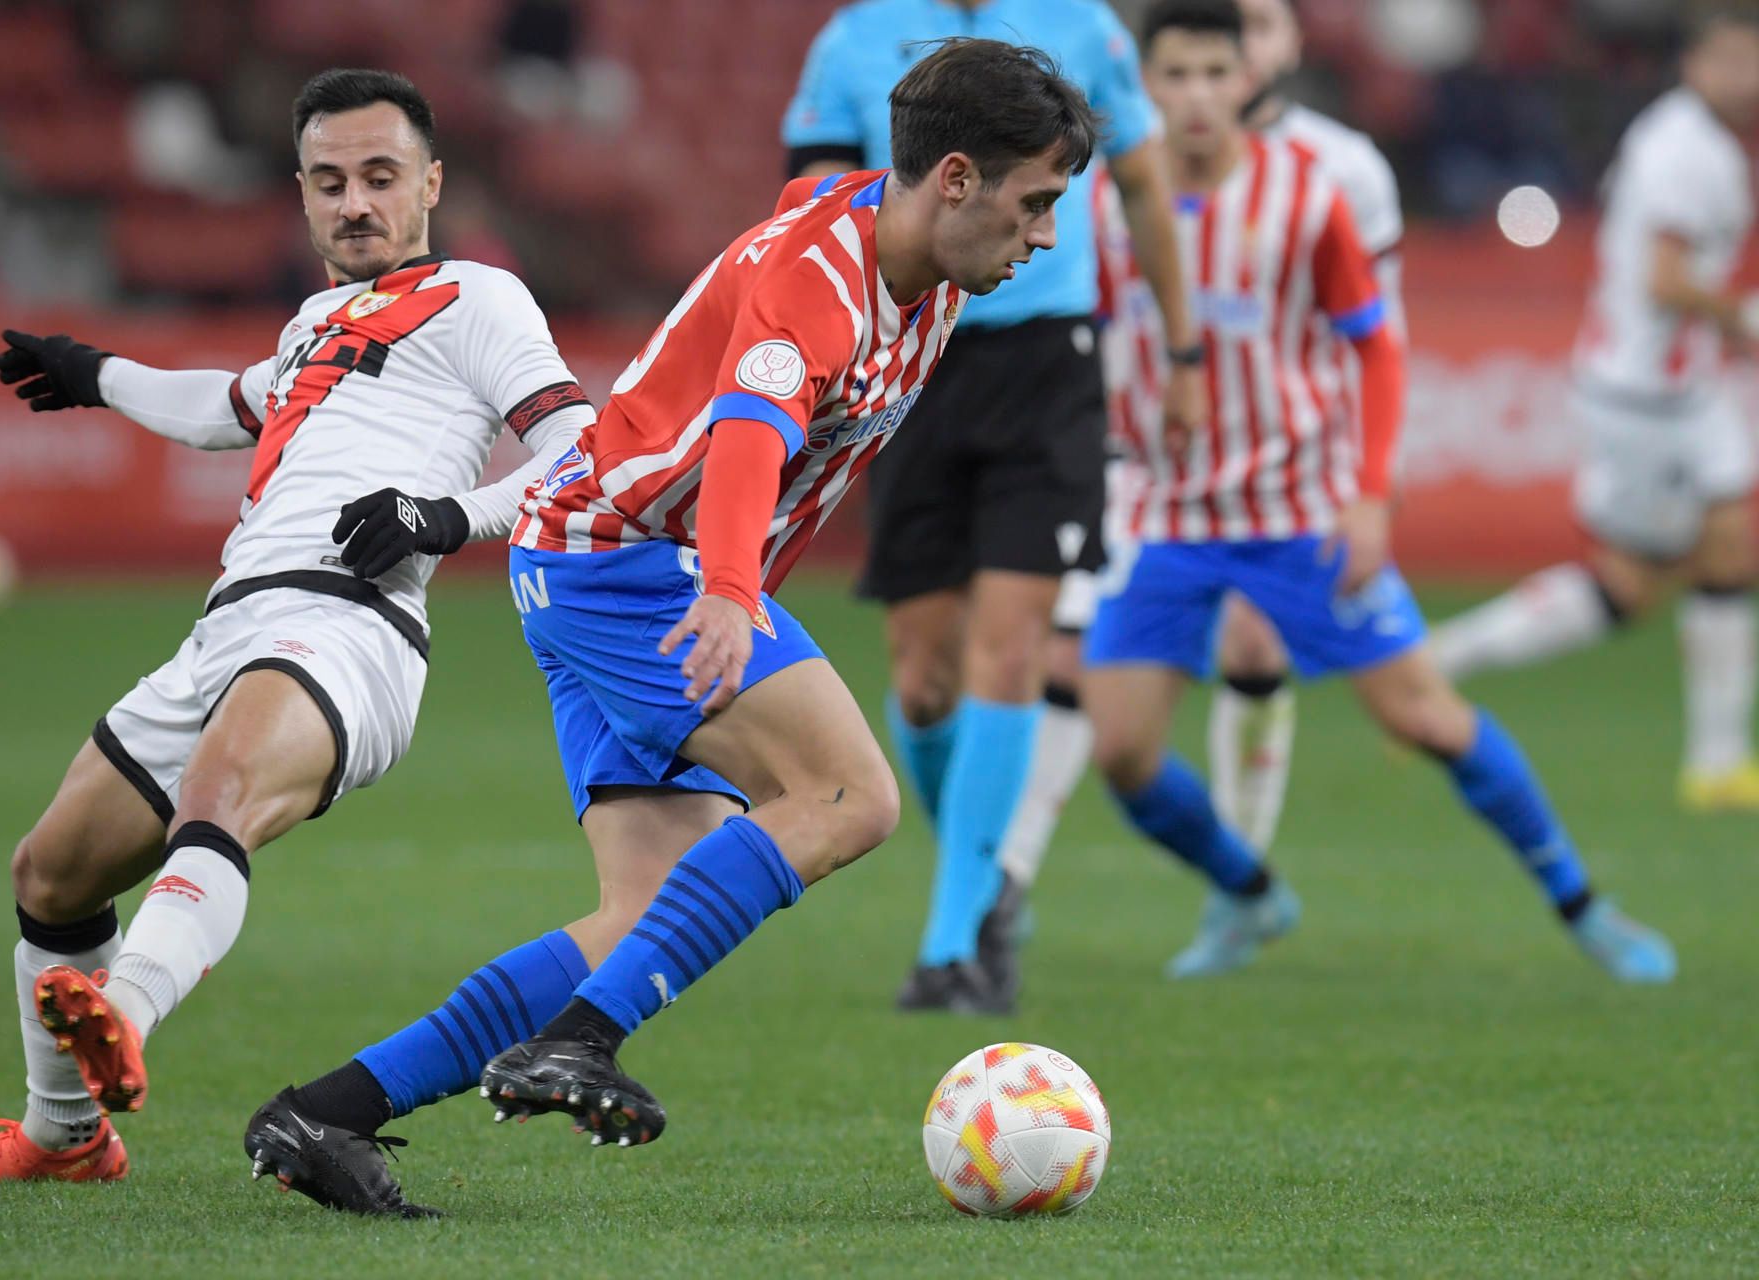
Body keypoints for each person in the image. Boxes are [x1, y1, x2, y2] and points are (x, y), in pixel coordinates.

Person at [242, 38, 1098, 1217]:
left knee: (639, 916)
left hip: (594, 554)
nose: (1045, 235)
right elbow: (751, 428)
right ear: (954, 178)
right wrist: (733, 592)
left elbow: (810, 214)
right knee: (851, 796)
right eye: (1036, 201)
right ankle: (574, 1044)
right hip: (630, 561)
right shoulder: (825, 279)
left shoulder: (908, 249)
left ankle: (326, 1109)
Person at [0, 69, 595, 1193]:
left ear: (430, 181)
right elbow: (228, 406)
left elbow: (584, 447)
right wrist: (96, 373)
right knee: (50, 872)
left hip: (352, 623)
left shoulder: (480, 298)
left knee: (220, 794)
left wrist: (446, 515)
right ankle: (66, 1135)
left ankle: (124, 1012)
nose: (355, 204)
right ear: (300, 193)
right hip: (227, 628)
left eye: (381, 177)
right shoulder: (314, 322)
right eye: (330, 183)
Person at [1078, 0, 1677, 985]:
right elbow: (1094, 332)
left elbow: (1378, 344)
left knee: (1425, 717)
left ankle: (1584, 903)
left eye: (1212, 74)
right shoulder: (1107, 201)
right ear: (1146, 83)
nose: (1194, 96)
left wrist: (1365, 495)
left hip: (1301, 508)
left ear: (1248, 80)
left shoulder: (1309, 196)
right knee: (1125, 752)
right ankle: (1250, 888)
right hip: (1169, 513)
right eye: (1173, 76)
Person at [778, 0, 1205, 1016]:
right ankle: (987, 884)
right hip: (911, 360)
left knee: (1008, 650)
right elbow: (805, 202)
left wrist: (1183, 353)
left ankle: (954, 943)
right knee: (924, 682)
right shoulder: (853, 40)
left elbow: (1142, 183)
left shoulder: (1087, 28)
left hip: (1047, 364)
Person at [991, 0, 1415, 963]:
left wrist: (1365, 481)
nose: (1230, 65)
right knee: (1062, 664)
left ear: (1286, 44)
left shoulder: (1343, 171)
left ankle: (1239, 880)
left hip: (1282, 475)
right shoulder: (1107, 166)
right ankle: (1005, 885)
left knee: (1255, 648)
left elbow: (1372, 339)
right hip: (1125, 455)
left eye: (1260, 29)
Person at [1429, 8, 1759, 813]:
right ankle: (1716, 764)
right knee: (1659, 577)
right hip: (1650, 395)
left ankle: (1440, 659)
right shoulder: (1690, 152)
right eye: (1729, 59)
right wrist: (1742, 321)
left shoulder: (1688, 137)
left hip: (1672, 387)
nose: (1742, 77)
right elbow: (1665, 279)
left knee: (1682, 568)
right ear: (1694, 63)